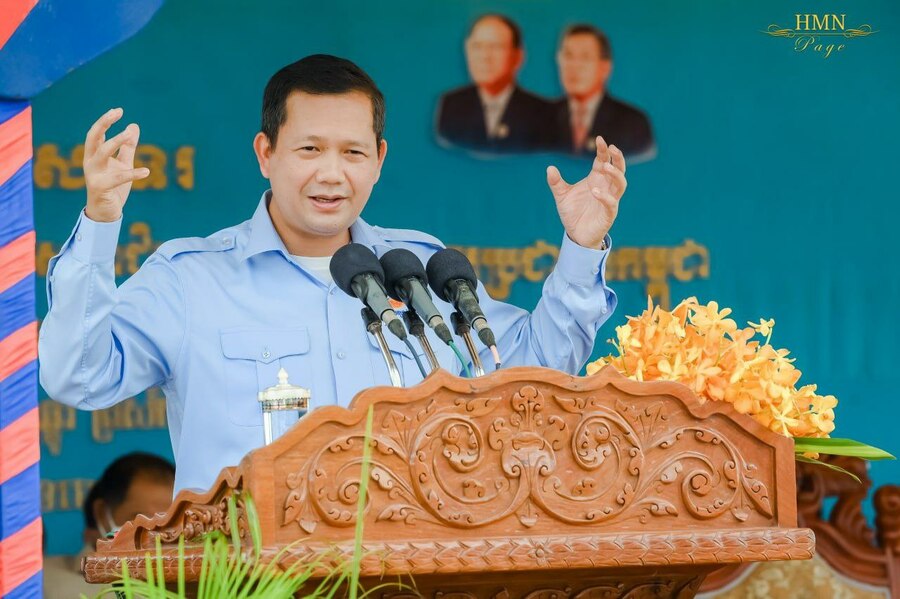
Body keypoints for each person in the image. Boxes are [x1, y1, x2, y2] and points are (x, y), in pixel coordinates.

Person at [39, 54, 626, 496]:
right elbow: (77, 377)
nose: (331, 174)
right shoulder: (190, 280)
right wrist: (100, 222)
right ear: (265, 154)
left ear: (379, 160)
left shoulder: (419, 272)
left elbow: (536, 371)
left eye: (352, 153)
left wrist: (582, 245)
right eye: (309, 150)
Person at [42, 453, 175, 598]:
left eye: (172, 522)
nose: (159, 534)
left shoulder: (190, 584)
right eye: (143, 519)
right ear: (102, 514)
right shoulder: (45, 582)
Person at [436, 14, 555, 153]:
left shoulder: (542, 113)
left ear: (518, 57)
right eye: (477, 47)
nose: (485, 57)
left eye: (496, 47)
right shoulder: (451, 105)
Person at [553, 24, 655, 160]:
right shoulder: (543, 118)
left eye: (585, 58)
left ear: (605, 67)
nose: (574, 66)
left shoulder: (633, 123)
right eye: (568, 56)